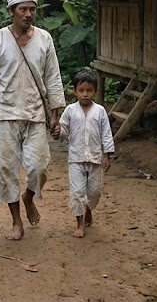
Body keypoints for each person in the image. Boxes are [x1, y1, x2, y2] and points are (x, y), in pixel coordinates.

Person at [0, 0, 65, 240]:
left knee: (39, 167)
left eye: (32, 9)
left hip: (35, 113)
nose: (28, 14)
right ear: (11, 11)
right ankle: (16, 222)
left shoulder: (45, 39)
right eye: (23, 9)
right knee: (7, 170)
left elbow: (53, 78)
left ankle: (29, 196)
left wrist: (54, 114)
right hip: (5, 114)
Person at [52, 70, 114, 238]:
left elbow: (106, 133)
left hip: (95, 159)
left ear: (95, 91)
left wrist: (107, 155)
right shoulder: (70, 111)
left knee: (94, 192)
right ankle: (79, 224)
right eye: (81, 91)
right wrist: (57, 131)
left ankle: (88, 209)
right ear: (75, 91)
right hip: (76, 159)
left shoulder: (100, 111)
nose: (85, 94)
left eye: (89, 91)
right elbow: (63, 131)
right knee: (78, 192)